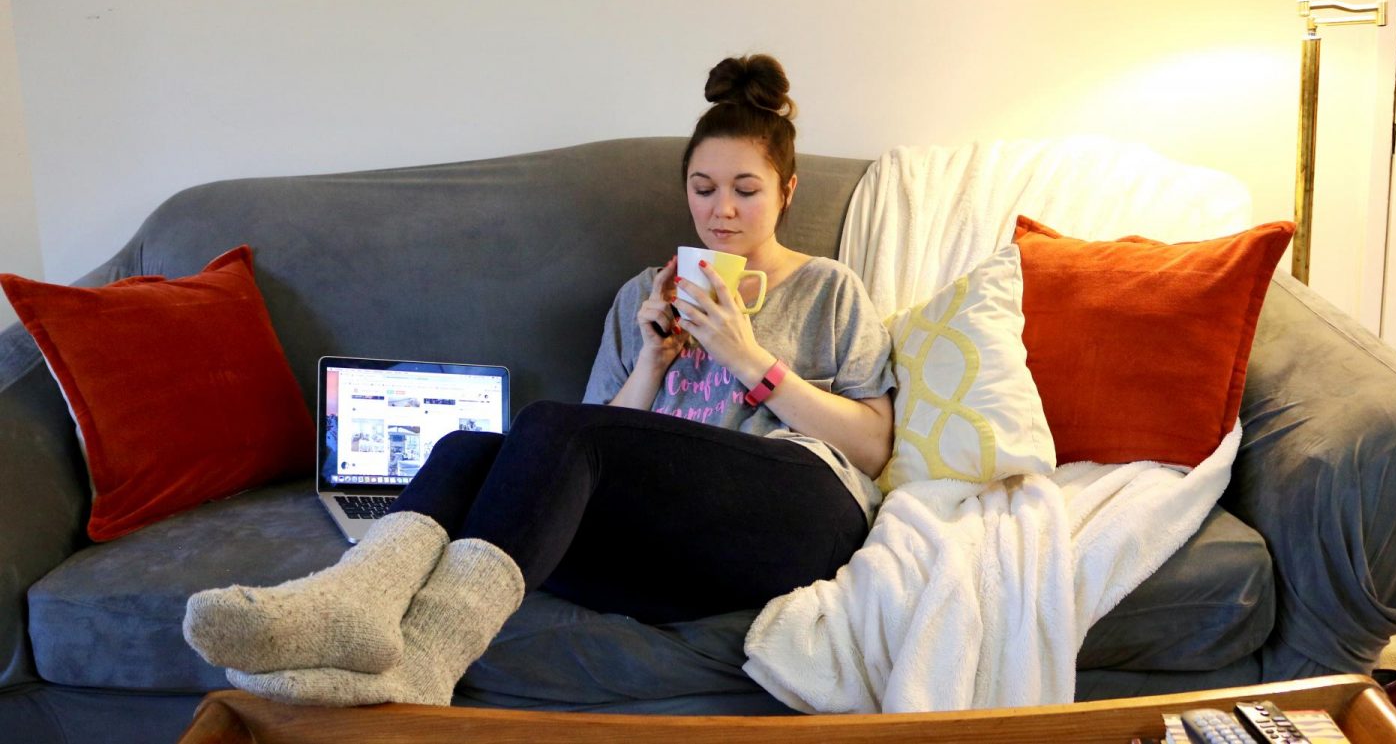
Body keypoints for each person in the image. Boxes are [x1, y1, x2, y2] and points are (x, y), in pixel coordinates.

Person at [182, 54, 897, 707]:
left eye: (747, 189)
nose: (723, 210)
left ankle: (430, 650)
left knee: (549, 425)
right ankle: (355, 607)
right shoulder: (644, 296)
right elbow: (589, 452)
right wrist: (651, 361)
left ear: (787, 190)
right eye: (704, 188)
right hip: (674, 543)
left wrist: (749, 359)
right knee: (469, 449)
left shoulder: (829, 288)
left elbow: (870, 446)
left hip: (798, 515)